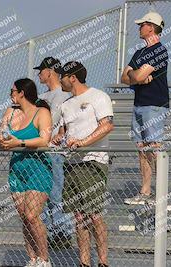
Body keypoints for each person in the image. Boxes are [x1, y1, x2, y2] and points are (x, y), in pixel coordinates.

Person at [52, 61, 114, 267]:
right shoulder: (66, 105)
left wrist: (82, 143)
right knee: (79, 217)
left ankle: (103, 262)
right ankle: (84, 263)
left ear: (72, 77)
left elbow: (107, 126)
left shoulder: (98, 96)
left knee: (94, 215)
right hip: (72, 163)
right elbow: (62, 134)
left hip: (93, 162)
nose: (59, 80)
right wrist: (57, 139)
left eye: (62, 76)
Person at [0, 78, 53, 267]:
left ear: (22, 93)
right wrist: (3, 141)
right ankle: (32, 259)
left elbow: (45, 140)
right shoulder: (11, 112)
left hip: (37, 168)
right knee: (23, 217)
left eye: (12, 91)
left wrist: (18, 143)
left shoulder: (41, 112)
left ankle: (44, 259)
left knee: (32, 215)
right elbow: (2, 134)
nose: (10, 95)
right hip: (17, 169)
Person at [120, 11, 169, 205]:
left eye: (142, 24)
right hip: (139, 104)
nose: (139, 27)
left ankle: (161, 191)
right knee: (141, 148)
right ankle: (145, 191)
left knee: (153, 147)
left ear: (151, 27)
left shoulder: (160, 50)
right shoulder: (139, 53)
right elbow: (125, 78)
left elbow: (136, 77)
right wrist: (137, 75)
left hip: (154, 105)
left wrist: (136, 75)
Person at [34, 57, 74, 248]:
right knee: (41, 195)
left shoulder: (64, 95)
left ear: (49, 71)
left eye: (41, 71)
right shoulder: (42, 97)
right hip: (40, 151)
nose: (39, 74)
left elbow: (63, 121)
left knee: (56, 194)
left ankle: (62, 233)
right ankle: (50, 233)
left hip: (55, 152)